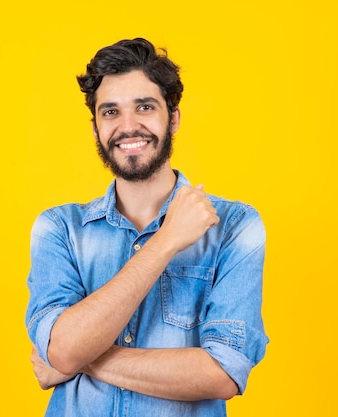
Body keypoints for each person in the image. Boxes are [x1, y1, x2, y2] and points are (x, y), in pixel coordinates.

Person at [25, 37, 268, 417]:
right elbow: (64, 348)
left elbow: (223, 372)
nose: (128, 127)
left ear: (172, 118)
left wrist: (77, 358)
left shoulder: (234, 227)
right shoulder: (59, 229)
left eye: (144, 107)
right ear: (95, 128)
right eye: (110, 112)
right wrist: (167, 240)